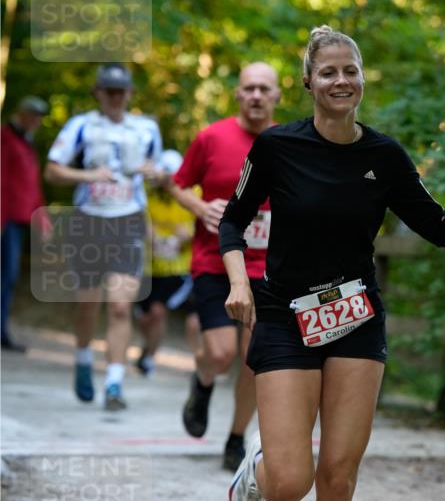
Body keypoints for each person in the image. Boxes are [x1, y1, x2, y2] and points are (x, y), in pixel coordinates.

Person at [220, 25, 445, 501]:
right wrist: (238, 284)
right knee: (291, 484)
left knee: (339, 477)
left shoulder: (385, 156)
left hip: (355, 319)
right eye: (329, 72)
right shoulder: (277, 146)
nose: (341, 81)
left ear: (362, 78)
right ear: (307, 82)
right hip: (286, 317)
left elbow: (440, 232)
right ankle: (258, 469)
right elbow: (233, 223)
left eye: (351, 71)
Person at [170, 63, 281, 471]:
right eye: (249, 88)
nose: (256, 95)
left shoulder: (288, 142)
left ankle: (236, 437)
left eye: (264, 89)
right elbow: (177, 184)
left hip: (267, 267)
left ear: (277, 96)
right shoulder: (211, 137)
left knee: (255, 357)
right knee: (220, 354)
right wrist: (200, 208)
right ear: (237, 94)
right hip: (214, 261)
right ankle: (203, 382)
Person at [44, 63, 162, 410]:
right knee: (87, 304)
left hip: (128, 222)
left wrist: (155, 174)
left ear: (129, 93)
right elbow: (52, 170)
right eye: (108, 91)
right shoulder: (81, 125)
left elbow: (159, 173)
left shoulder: (147, 129)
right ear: (97, 92)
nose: (115, 97)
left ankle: (114, 384)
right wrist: (88, 175)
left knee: (121, 307)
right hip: (89, 222)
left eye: (120, 91)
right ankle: (83, 359)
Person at [134, 149, 200, 378]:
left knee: (158, 311)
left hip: (179, 269)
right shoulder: (147, 193)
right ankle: (148, 346)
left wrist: (189, 233)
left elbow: (206, 223)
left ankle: (149, 359)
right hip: (149, 268)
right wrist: (148, 233)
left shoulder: (193, 194)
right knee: (143, 317)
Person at [1, 96, 51, 352]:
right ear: (21, 113)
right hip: (6, 218)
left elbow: (32, 186)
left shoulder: (27, 144)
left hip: (20, 219)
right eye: (33, 115)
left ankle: (2, 331)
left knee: (8, 277)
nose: (36, 121)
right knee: (6, 275)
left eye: (39, 117)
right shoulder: (5, 138)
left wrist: (42, 218)